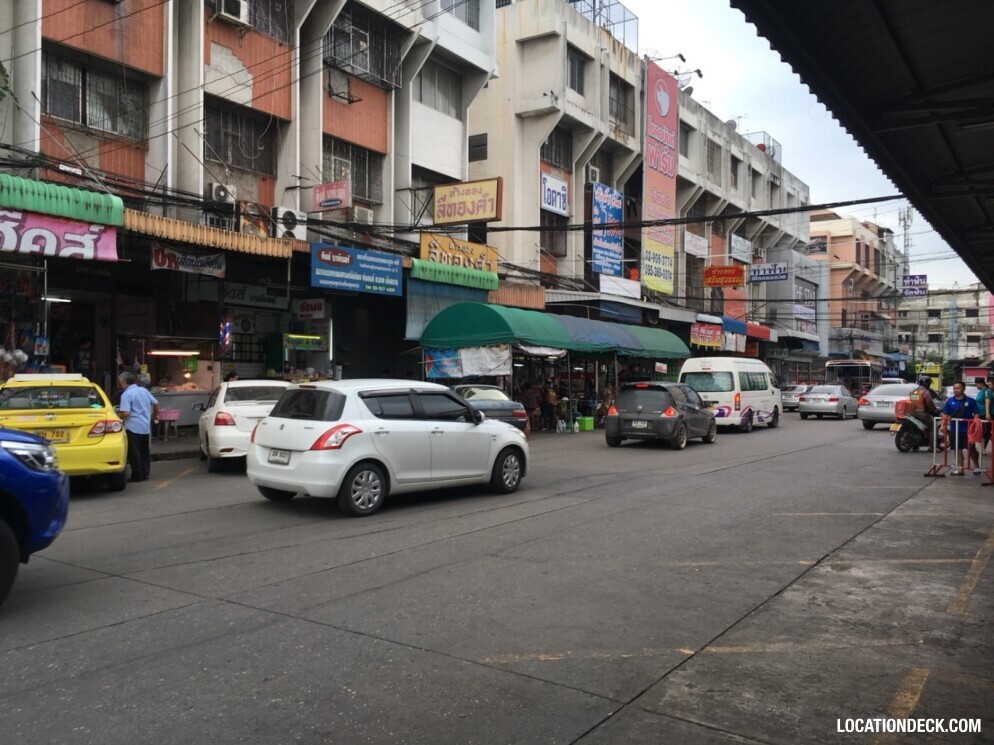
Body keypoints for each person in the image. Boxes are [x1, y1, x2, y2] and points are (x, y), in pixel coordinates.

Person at [118, 371, 159, 483]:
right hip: (145, 426)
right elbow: (156, 403)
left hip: (132, 427)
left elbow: (125, 413)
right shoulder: (144, 390)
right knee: (144, 451)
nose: (121, 384)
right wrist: (156, 416)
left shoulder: (126, 394)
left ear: (124, 382)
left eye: (121, 382)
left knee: (134, 452)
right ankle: (145, 473)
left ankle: (137, 475)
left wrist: (118, 415)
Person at [941, 380, 980, 476]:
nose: (956, 390)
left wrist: (975, 425)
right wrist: (943, 425)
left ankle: (977, 466)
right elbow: (945, 414)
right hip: (955, 429)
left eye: (958, 388)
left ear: (963, 389)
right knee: (957, 449)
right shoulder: (950, 401)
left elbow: (976, 414)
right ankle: (960, 469)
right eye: (954, 388)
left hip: (968, 430)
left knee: (971, 449)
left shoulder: (971, 401)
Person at [909, 375, 940, 446]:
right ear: (926, 383)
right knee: (933, 427)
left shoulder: (913, 391)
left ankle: (915, 445)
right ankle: (932, 447)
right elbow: (930, 403)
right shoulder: (925, 392)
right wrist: (935, 410)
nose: (929, 384)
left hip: (912, 413)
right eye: (929, 383)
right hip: (922, 413)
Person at [975, 377, 993, 455]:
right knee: (983, 431)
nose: (976, 386)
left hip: (986, 415)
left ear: (982, 383)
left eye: (977, 384)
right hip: (980, 415)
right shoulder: (981, 391)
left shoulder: (987, 391)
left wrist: (987, 413)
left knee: (985, 432)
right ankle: (981, 448)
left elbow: (987, 402)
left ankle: (982, 449)